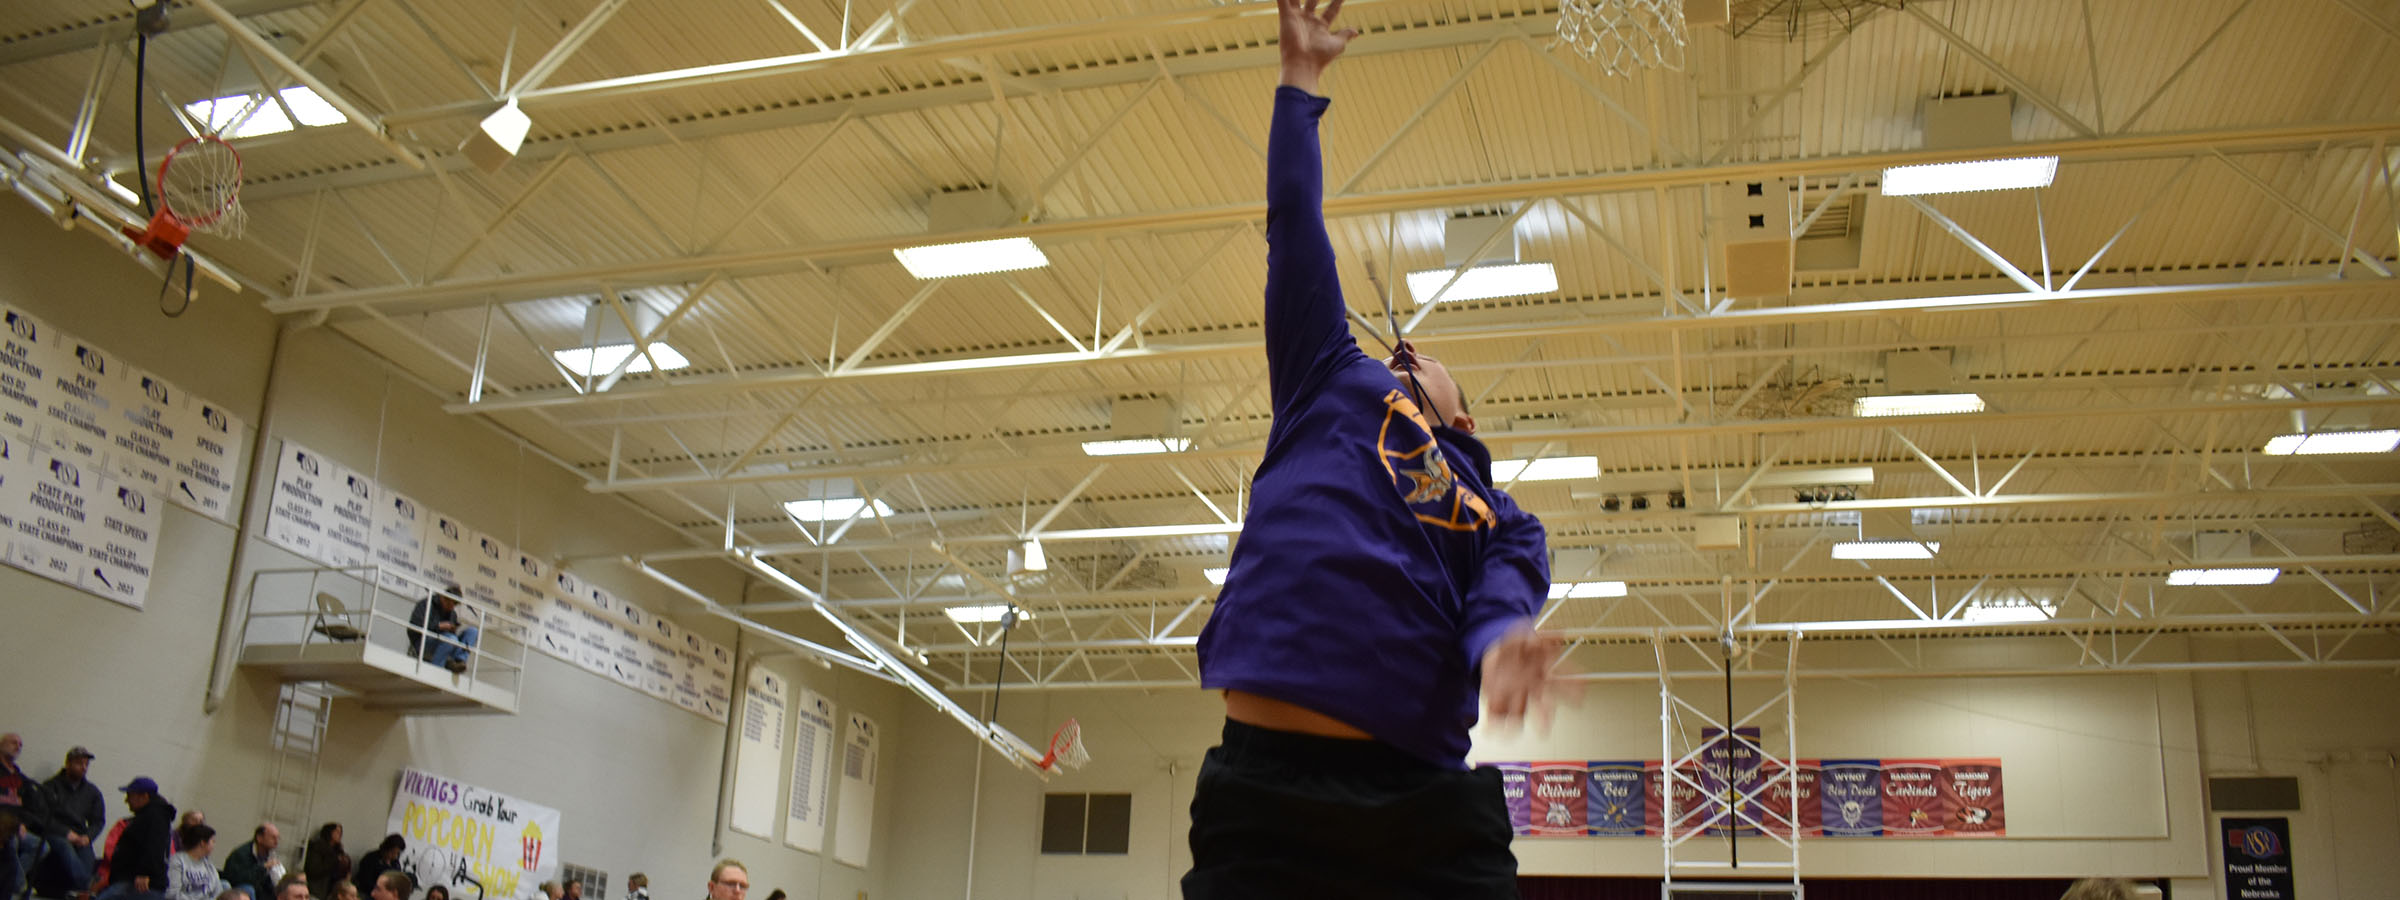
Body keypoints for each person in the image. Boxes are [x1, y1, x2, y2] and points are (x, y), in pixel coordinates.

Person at [1180, 3, 1574, 898]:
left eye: (1427, 365)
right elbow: (1295, 220)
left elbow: (1503, 600)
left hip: (1424, 809)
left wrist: (1507, 640)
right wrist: (1300, 84)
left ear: (1461, 421)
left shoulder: (1502, 519)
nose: (1406, 357)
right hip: (1267, 791)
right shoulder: (1328, 371)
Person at [42, 746, 105, 894]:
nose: (84, 768)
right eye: (79, 763)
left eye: (86, 764)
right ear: (68, 763)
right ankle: (89, 886)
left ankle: (83, 888)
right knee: (64, 847)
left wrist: (88, 837)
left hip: (81, 835)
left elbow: (98, 821)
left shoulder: (92, 791)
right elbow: (42, 816)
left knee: (87, 857)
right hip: (56, 832)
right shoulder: (51, 786)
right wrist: (65, 832)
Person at [102, 777, 177, 900]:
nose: (127, 800)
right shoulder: (154, 815)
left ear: (144, 796)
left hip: (139, 884)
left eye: (130, 796)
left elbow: (155, 845)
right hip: (136, 881)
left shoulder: (155, 816)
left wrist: (145, 872)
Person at [408, 586, 480, 674]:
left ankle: (458, 661)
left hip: (446, 643)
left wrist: (452, 629)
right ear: (443, 598)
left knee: (473, 631)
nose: (451, 608)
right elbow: (415, 625)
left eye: (454, 605)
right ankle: (436, 670)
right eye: (449, 604)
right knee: (450, 639)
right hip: (422, 641)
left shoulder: (452, 614)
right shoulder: (426, 604)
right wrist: (438, 626)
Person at [164, 824, 226, 900]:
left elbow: (217, 892)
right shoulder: (177, 861)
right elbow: (172, 894)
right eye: (212, 841)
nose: (214, 845)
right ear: (202, 843)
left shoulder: (208, 865)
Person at [221, 823, 281, 899]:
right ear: (259, 838)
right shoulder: (241, 854)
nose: (276, 841)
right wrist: (263, 867)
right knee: (249, 889)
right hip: (238, 889)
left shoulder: (270, 855)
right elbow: (239, 879)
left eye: (278, 838)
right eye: (273, 837)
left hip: (259, 890)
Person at [302, 824, 349, 900]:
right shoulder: (317, 847)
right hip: (317, 887)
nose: (339, 835)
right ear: (329, 832)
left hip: (331, 889)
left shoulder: (339, 850)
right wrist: (335, 860)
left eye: (341, 832)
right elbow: (314, 869)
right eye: (337, 832)